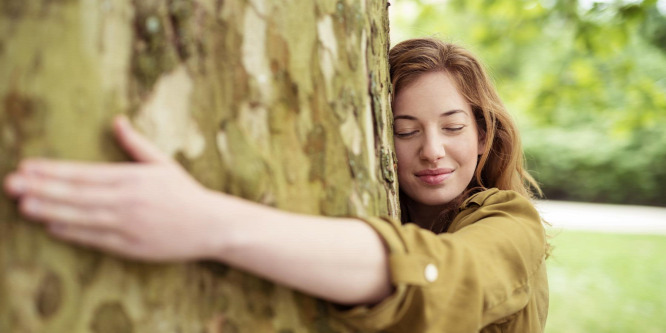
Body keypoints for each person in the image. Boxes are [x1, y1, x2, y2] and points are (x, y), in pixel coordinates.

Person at [3, 38, 549, 332]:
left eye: (452, 127)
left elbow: (449, 275)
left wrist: (207, 223)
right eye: (405, 131)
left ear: (483, 136)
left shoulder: (512, 226)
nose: (431, 149)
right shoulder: (376, 204)